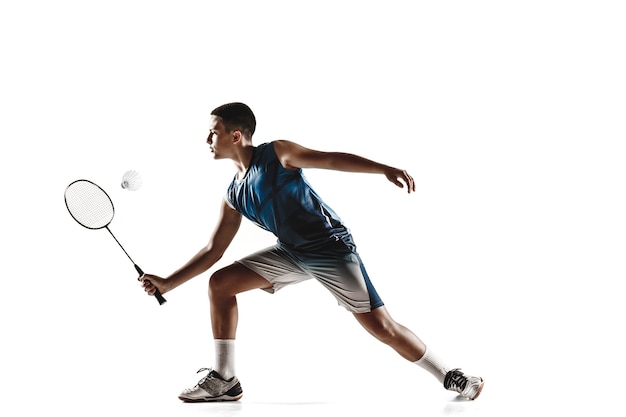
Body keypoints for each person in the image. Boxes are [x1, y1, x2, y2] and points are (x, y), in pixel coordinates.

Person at [140, 102, 484, 402]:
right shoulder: (234, 193)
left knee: (382, 327)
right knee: (221, 283)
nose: (206, 140)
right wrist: (169, 283)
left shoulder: (277, 153)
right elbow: (214, 249)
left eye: (212, 132)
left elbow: (331, 159)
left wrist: (383, 169)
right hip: (291, 253)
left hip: (330, 249)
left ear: (235, 136)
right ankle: (225, 379)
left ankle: (452, 375)